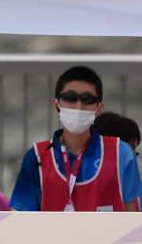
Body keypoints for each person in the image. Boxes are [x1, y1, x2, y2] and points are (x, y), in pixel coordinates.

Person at [10, 66, 142, 212]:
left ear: (99, 107)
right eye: (70, 98)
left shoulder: (122, 153)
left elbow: (135, 219)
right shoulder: (36, 157)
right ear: (57, 104)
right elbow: (20, 220)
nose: (78, 106)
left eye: (88, 99)